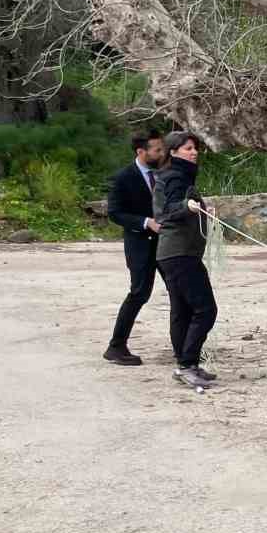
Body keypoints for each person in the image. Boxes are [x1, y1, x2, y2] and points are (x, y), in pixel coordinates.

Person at [153, 131, 220, 389]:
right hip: (178, 254)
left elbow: (179, 206)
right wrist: (186, 207)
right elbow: (166, 211)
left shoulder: (181, 176)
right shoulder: (174, 176)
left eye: (195, 148)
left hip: (177, 253)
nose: (194, 152)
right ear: (173, 152)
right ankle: (186, 364)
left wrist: (201, 211)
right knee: (205, 310)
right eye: (188, 148)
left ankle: (185, 365)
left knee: (182, 311)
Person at [103, 131, 167, 365]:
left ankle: (185, 348)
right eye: (157, 150)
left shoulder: (165, 173)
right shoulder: (123, 178)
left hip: (167, 245)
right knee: (139, 293)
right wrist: (145, 222)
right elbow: (115, 213)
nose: (162, 153)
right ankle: (116, 346)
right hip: (140, 245)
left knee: (180, 292)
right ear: (141, 152)